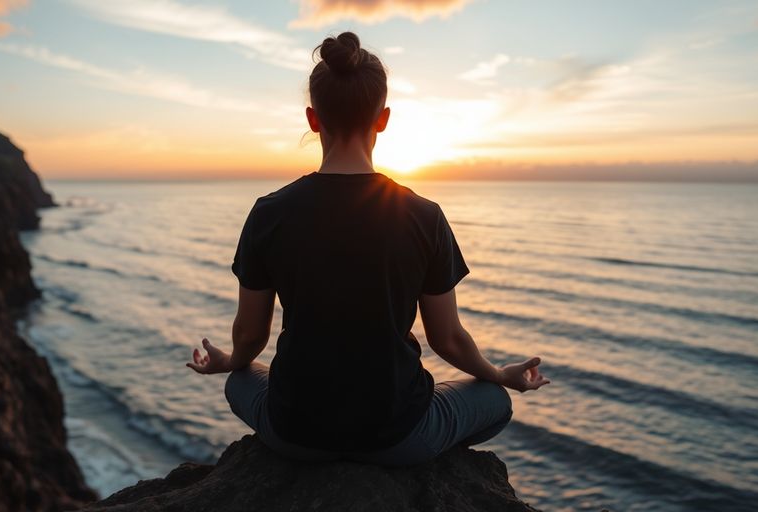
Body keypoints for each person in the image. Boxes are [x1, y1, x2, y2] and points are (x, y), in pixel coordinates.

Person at [186, 32, 550, 465]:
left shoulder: (269, 212)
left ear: (312, 118)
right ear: (383, 118)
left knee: (238, 382)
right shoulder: (423, 214)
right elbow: (447, 337)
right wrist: (498, 373)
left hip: (294, 432)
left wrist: (231, 361)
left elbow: (249, 335)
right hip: (397, 436)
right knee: (496, 401)